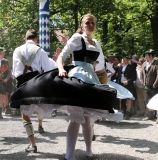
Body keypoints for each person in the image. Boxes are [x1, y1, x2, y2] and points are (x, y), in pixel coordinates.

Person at [10, 14, 122, 159]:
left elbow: (99, 64)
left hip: (90, 77)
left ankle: (89, 151)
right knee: (76, 115)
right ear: (82, 25)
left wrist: (99, 78)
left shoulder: (96, 42)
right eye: (87, 22)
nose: (91, 25)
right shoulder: (77, 38)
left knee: (88, 118)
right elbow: (62, 56)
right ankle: (69, 155)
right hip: (77, 75)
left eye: (93, 22)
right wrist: (62, 69)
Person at [12, 29, 52, 153]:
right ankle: (41, 123)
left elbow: (15, 72)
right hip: (37, 83)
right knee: (41, 105)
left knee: (25, 115)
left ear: (25, 38)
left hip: (22, 85)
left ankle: (33, 144)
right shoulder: (40, 51)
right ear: (36, 39)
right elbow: (48, 70)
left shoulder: (16, 50)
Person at [116, 55, 136, 120]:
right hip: (121, 85)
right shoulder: (120, 67)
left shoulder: (131, 67)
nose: (123, 61)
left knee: (128, 99)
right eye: (122, 60)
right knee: (121, 99)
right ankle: (122, 111)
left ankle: (128, 112)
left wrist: (128, 81)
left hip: (128, 85)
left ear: (127, 61)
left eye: (124, 60)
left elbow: (134, 77)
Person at [0, 47, 12, 118]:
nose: (3, 54)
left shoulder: (6, 61)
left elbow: (9, 71)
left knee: (1, 96)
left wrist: (7, 78)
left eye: (3, 53)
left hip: (2, 81)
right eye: (1, 53)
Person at [140, 49, 158, 123]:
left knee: (157, 101)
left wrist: (155, 84)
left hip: (155, 86)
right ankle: (150, 115)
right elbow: (141, 73)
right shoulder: (144, 63)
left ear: (151, 55)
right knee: (148, 100)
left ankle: (157, 116)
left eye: (146, 55)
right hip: (147, 85)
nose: (145, 56)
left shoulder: (156, 63)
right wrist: (142, 82)